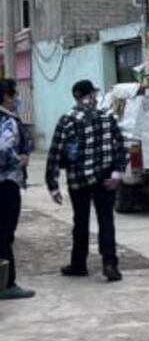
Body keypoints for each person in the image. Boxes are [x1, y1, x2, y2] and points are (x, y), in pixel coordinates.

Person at [45, 79, 128, 283]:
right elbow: (121, 146)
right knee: (106, 220)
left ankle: (78, 264)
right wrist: (117, 173)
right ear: (92, 94)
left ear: (75, 96)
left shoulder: (68, 119)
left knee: (80, 222)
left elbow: (55, 153)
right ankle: (109, 263)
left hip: (78, 179)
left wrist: (53, 185)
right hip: (106, 178)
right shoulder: (108, 117)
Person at [0, 79, 35, 300]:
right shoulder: (7, 120)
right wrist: (19, 159)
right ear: (7, 96)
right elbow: (3, 148)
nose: (18, 100)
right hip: (6, 183)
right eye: (15, 95)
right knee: (5, 235)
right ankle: (7, 283)